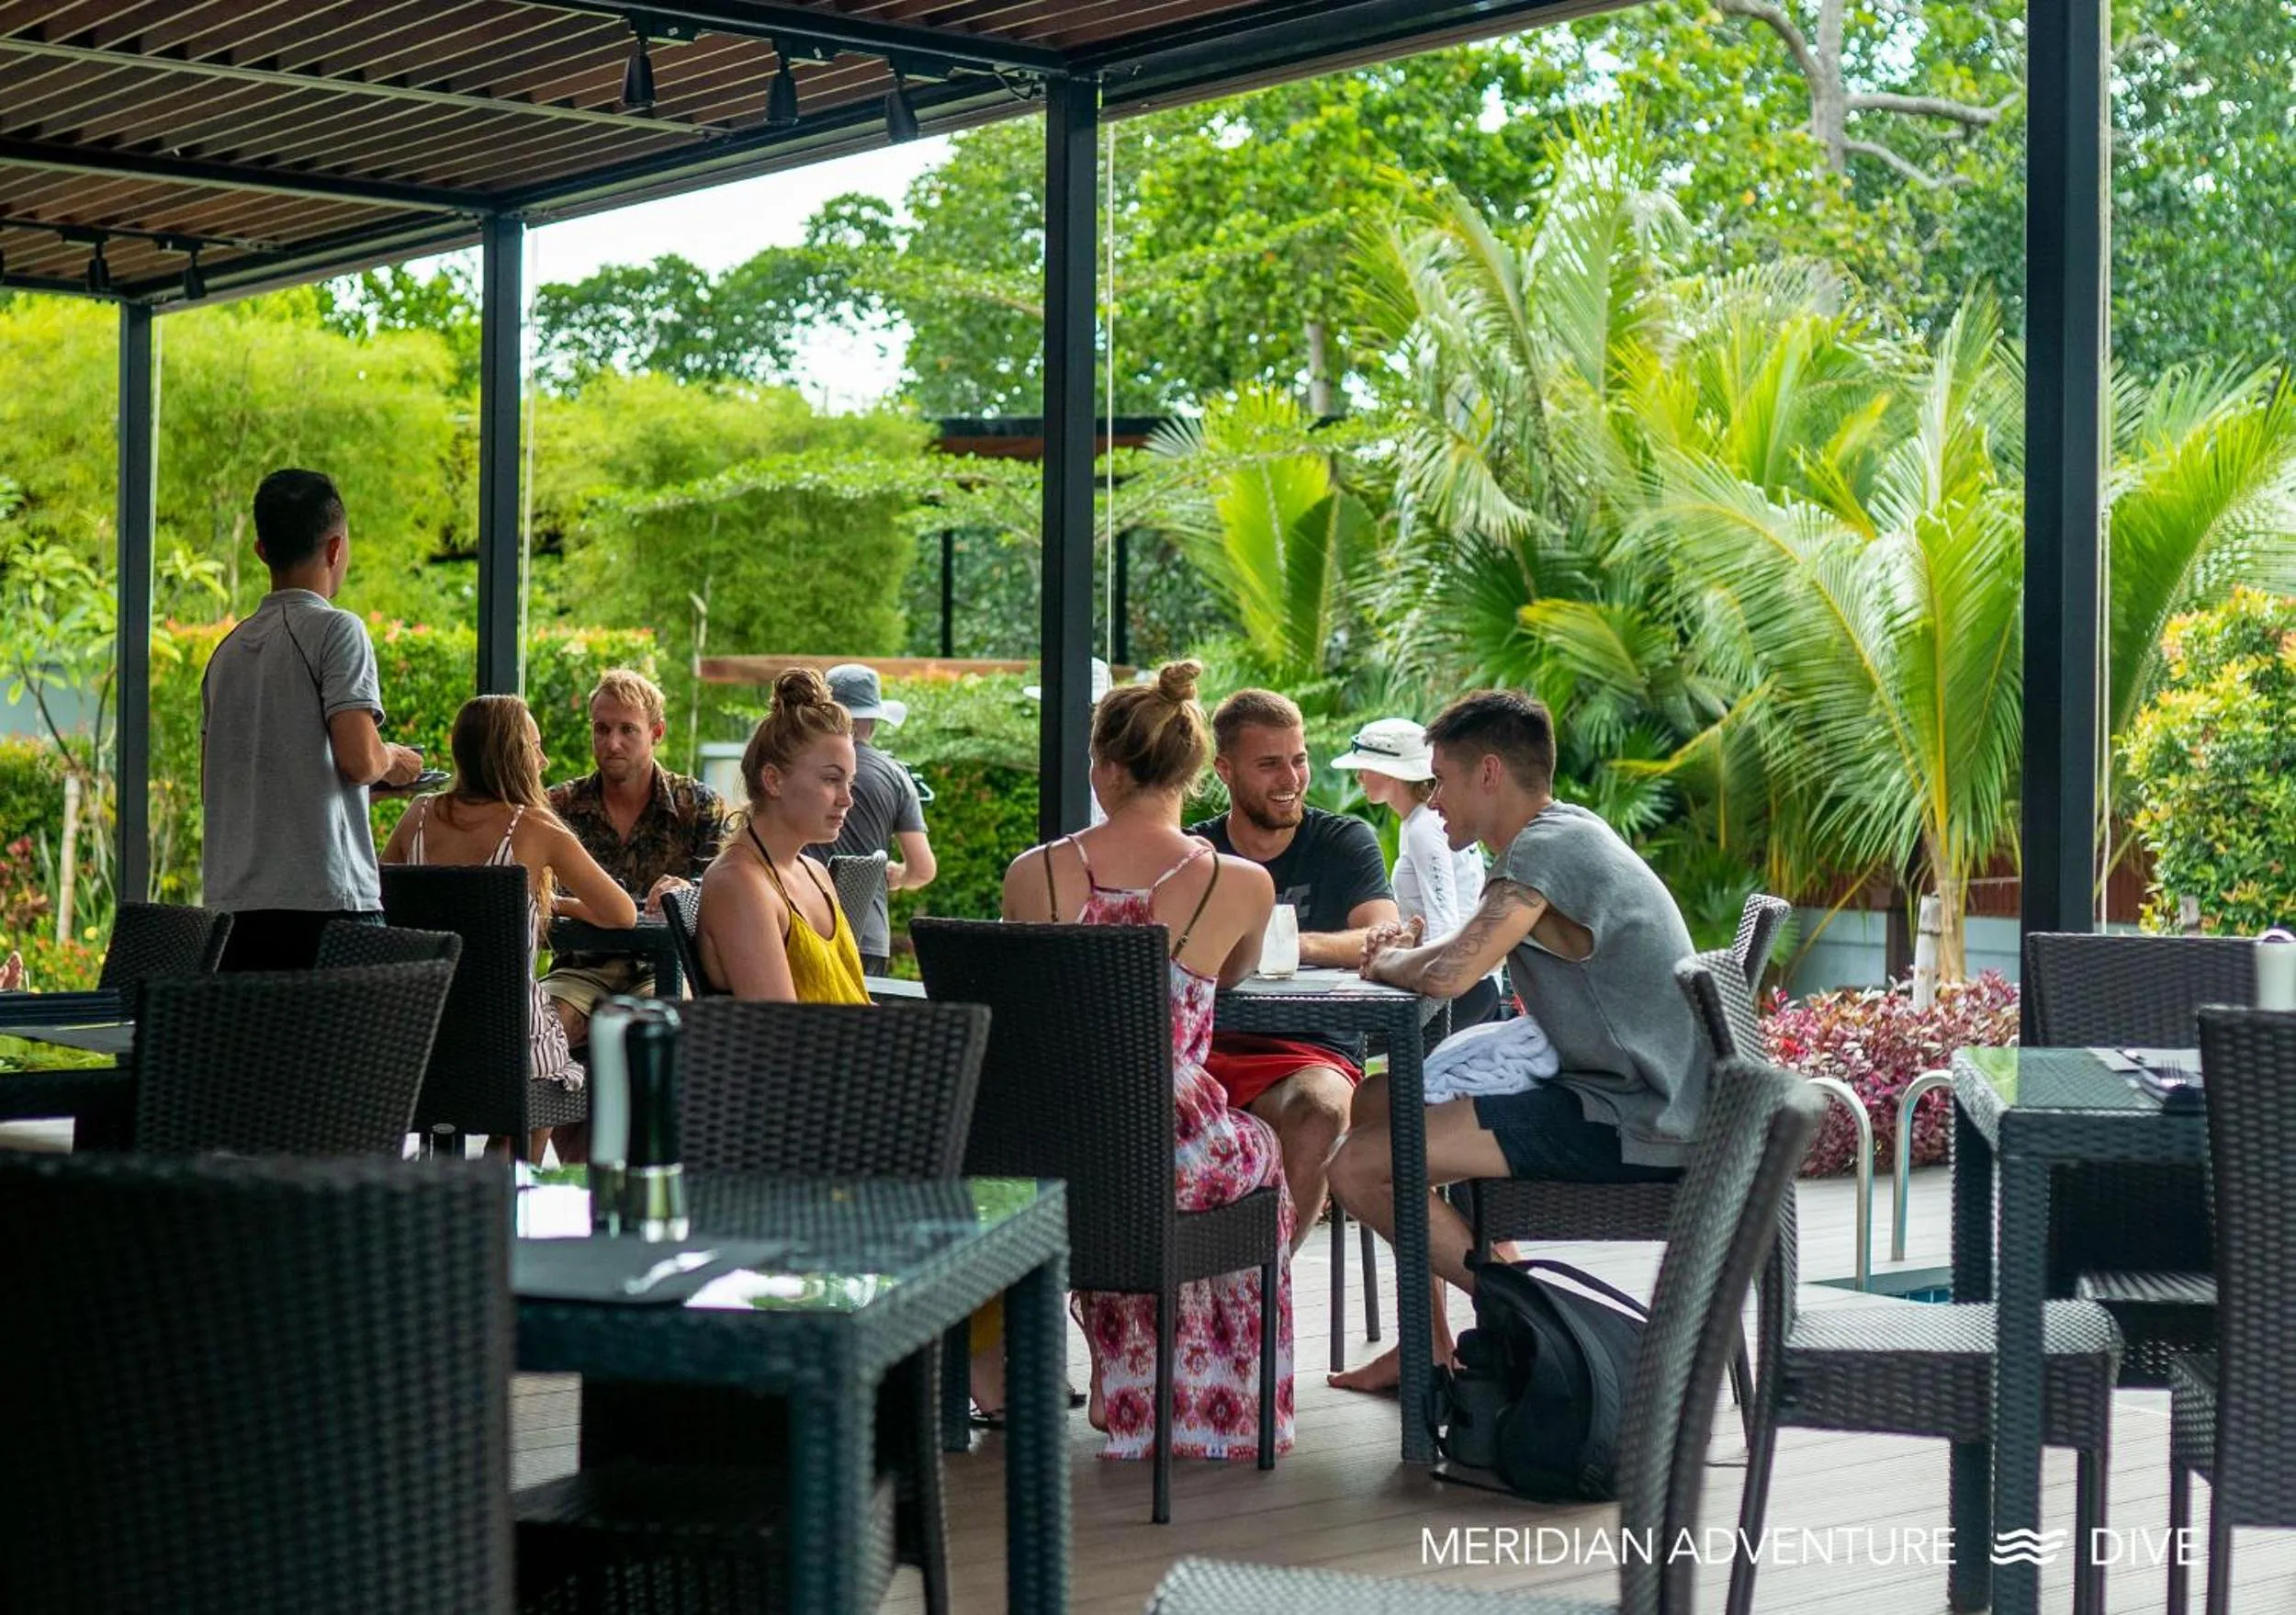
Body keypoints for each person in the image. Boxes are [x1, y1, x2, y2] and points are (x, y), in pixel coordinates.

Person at [1325, 690, 1704, 1392]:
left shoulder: (1543, 852)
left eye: (1442, 778)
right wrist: (1401, 956)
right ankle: (1429, 1345)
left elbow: (1452, 972)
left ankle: (1546, 1325)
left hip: (1635, 1119)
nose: (1435, 798)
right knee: (1377, 1100)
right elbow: (1457, 951)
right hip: (1617, 1095)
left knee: (1356, 1168)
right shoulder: (1563, 833)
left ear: (1490, 772)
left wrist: (1388, 962)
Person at [996, 659, 1292, 1460]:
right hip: (1169, 1140)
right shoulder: (1240, 883)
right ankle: (1195, 1399)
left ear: (1105, 768)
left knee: (1113, 1175)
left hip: (1051, 1143)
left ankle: (1123, 1377)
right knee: (1262, 1156)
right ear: (1192, 773)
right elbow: (1236, 974)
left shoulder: (1032, 873)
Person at [379, 695, 637, 1160]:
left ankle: (458, 1182)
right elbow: (622, 913)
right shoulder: (535, 827)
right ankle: (509, 1177)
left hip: (421, 1034)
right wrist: (556, 904)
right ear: (512, 753)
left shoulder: (417, 816)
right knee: (548, 1069)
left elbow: (384, 904)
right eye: (535, 747)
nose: (544, 761)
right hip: (508, 1039)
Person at [1187, 687, 1400, 1248]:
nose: (1291, 778)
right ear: (1224, 770)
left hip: (1312, 1049)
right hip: (1207, 1048)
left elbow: (1382, 937)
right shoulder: (1195, 851)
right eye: (1269, 764)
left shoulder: (1341, 841)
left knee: (1321, 1110)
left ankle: (1268, 1281)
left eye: (1299, 759)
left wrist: (1285, 944)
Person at [200, 469, 423, 971]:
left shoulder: (226, 654)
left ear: (261, 551)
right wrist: (395, 760)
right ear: (335, 548)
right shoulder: (337, 630)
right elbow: (360, 759)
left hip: (233, 918)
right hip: (325, 906)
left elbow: (218, 787)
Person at [542, 668, 727, 1046]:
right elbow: (532, 892)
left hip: (664, 968)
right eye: (602, 729)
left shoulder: (698, 806)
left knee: (660, 1034)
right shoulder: (558, 806)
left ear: (656, 733)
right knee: (537, 1032)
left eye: (627, 730)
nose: (612, 743)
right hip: (579, 970)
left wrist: (688, 892)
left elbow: (727, 893)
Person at [694, 669, 869, 1004]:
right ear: (774, 780)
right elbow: (779, 1026)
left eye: (849, 782)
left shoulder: (815, 873)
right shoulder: (738, 884)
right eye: (831, 779)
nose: (847, 799)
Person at [1331, 717, 1503, 1033]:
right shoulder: (1418, 823)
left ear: (1391, 773)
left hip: (1458, 992)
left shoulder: (1424, 827)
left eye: (1365, 767)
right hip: (1462, 984)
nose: (1358, 777)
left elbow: (1444, 921)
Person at [805, 663, 935, 976]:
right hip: (867, 935)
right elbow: (923, 869)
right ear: (874, 720)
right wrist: (899, 875)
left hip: (803, 921)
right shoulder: (895, 775)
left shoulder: (799, 765)